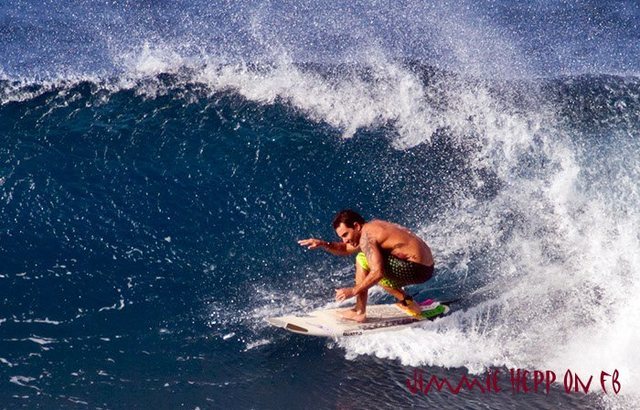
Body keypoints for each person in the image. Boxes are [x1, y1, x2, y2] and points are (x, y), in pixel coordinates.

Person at [298, 209, 434, 322]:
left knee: (363, 259)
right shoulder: (373, 227)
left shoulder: (366, 237)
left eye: (345, 234)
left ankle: (359, 311)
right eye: (341, 237)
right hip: (426, 268)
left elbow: (377, 272)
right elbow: (346, 248)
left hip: (415, 269)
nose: (345, 240)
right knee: (372, 258)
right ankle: (408, 302)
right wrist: (324, 244)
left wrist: (353, 291)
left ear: (356, 226)